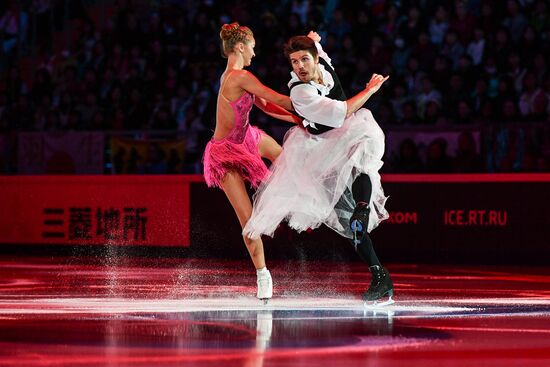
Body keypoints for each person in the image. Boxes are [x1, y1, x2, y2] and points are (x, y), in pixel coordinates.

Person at [244, 32, 393, 304]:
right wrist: (370, 89)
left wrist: (314, 38)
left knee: (362, 154)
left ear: (315, 58)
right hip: (320, 152)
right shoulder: (300, 92)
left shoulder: (320, 59)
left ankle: (362, 206)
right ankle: (378, 273)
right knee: (348, 221)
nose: (299, 66)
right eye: (294, 62)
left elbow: (316, 46)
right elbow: (344, 111)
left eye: (304, 59)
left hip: (347, 137)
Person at [203, 23, 301, 301]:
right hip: (224, 154)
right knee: (249, 222)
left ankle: (292, 206)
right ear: (241, 47)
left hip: (247, 138)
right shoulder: (237, 77)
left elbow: (267, 106)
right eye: (253, 47)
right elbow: (278, 97)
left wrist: (299, 119)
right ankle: (263, 274)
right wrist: (316, 104)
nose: (254, 53)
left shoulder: (240, 78)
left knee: (286, 159)